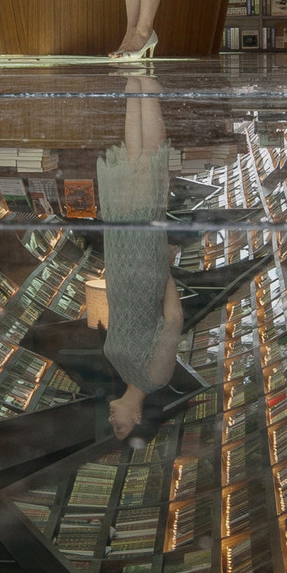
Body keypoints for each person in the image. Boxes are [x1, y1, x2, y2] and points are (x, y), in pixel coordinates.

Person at [97, 79, 182, 439]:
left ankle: (137, 82)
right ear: (137, 419)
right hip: (145, 267)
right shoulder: (155, 378)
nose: (112, 422)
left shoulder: (122, 369)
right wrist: (164, 269)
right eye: (118, 429)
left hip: (121, 261)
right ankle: (148, 85)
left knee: (136, 163)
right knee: (148, 165)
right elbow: (173, 320)